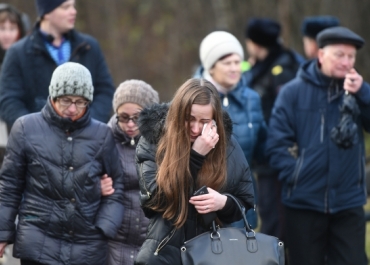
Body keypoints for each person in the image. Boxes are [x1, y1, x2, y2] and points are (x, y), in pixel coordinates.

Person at [0, 62, 125, 265]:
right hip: (37, 243)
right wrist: (2, 233)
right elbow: (9, 186)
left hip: (88, 246)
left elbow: (117, 184)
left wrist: (106, 226)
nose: (73, 108)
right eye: (66, 100)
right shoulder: (25, 128)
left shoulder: (102, 135)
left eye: (81, 102)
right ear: (53, 96)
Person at [266, 26, 369, 265]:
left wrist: (363, 92)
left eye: (351, 56)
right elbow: (275, 144)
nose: (346, 62)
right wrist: (297, 174)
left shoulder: (358, 92)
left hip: (348, 203)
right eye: (339, 55)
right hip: (303, 204)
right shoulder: (292, 93)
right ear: (321, 55)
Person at [133, 78, 254, 265]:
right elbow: (153, 201)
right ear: (177, 114)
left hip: (213, 253)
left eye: (204, 121)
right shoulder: (154, 141)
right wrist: (195, 156)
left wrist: (223, 202)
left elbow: (245, 201)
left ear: (215, 120)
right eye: (189, 119)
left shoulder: (227, 146)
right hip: (166, 252)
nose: (196, 129)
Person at [0, 0, 115, 129]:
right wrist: (35, 130)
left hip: (86, 142)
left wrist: (87, 124)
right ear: (47, 13)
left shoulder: (89, 47)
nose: (73, 11)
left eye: (73, 6)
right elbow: (8, 101)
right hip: (36, 144)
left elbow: (105, 91)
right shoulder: (18, 52)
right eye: (65, 7)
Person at [195, 30, 266, 228]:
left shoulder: (252, 99)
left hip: (241, 198)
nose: (235, 68)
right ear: (211, 66)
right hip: (204, 203)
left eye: (238, 62)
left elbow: (264, 147)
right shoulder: (193, 99)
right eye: (227, 63)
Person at [243, 17, 302, 239]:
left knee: (276, 221)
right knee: (270, 216)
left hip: (277, 159)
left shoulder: (283, 70)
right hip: (265, 158)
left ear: (256, 43)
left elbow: (286, 116)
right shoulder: (260, 66)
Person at [100, 80, 159, 265]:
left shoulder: (163, 144)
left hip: (151, 242)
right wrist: (96, 186)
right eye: (124, 117)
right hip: (112, 242)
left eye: (138, 117)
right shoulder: (102, 141)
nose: (131, 124)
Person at [0, 3, 30, 168]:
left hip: (20, 129)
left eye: (12, 29)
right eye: (2, 28)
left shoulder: (28, 60)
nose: (7, 34)